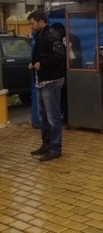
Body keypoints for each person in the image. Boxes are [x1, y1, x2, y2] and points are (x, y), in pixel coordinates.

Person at [28, 10, 66, 162]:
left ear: (41, 22)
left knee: (53, 117)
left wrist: (41, 64)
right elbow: (42, 56)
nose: (31, 26)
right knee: (43, 116)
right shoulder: (40, 36)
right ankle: (46, 144)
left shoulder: (52, 36)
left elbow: (59, 56)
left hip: (51, 81)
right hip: (41, 81)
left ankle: (55, 148)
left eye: (32, 23)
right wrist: (33, 64)